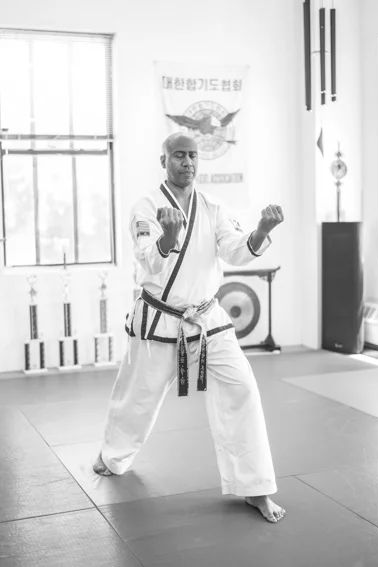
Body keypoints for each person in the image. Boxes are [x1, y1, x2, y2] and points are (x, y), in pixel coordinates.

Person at [93, 132, 286, 523]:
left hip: (207, 319)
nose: (188, 162)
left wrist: (262, 231)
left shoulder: (213, 207)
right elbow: (148, 260)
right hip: (159, 318)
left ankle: (255, 488)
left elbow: (235, 250)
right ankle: (113, 456)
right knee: (138, 396)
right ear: (163, 160)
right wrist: (168, 236)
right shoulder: (146, 207)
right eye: (179, 155)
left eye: (193, 156)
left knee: (242, 389)